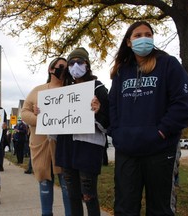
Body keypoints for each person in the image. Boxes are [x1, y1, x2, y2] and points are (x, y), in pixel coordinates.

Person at [108, 21, 188, 215]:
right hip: (127, 149)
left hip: (160, 149)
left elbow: (183, 101)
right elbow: (113, 105)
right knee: (124, 208)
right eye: (137, 35)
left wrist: (163, 131)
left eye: (148, 34)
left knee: (160, 209)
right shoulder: (121, 72)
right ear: (129, 42)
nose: (144, 38)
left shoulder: (168, 64)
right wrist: (117, 132)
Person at [55, 48, 110, 216]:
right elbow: (55, 120)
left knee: (88, 195)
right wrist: (43, 113)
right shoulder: (64, 91)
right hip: (67, 148)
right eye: (71, 63)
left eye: (80, 62)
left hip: (88, 148)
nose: (75, 66)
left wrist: (98, 111)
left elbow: (109, 120)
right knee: (72, 195)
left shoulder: (99, 89)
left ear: (87, 65)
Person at [21, 57, 71, 216]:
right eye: (61, 66)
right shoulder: (37, 91)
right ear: (51, 69)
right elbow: (24, 113)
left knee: (67, 186)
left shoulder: (72, 90)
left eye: (66, 67)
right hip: (41, 146)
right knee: (44, 185)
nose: (64, 69)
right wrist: (41, 120)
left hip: (63, 145)